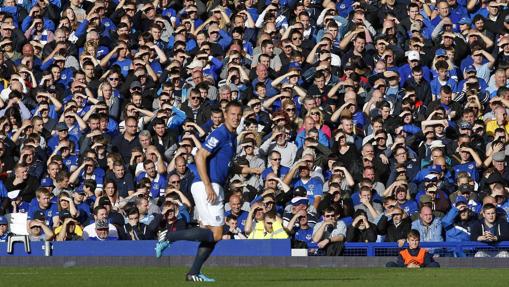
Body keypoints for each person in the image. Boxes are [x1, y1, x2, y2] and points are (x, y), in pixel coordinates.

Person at [154, 101, 242, 282]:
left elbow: (224, 163)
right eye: (232, 114)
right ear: (225, 115)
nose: (236, 117)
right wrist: (208, 184)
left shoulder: (232, 136)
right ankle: (169, 236)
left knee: (211, 235)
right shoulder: (221, 133)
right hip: (207, 186)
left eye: (238, 114)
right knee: (217, 234)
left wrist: (248, 171)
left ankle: (193, 272)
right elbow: (200, 155)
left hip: (210, 185)